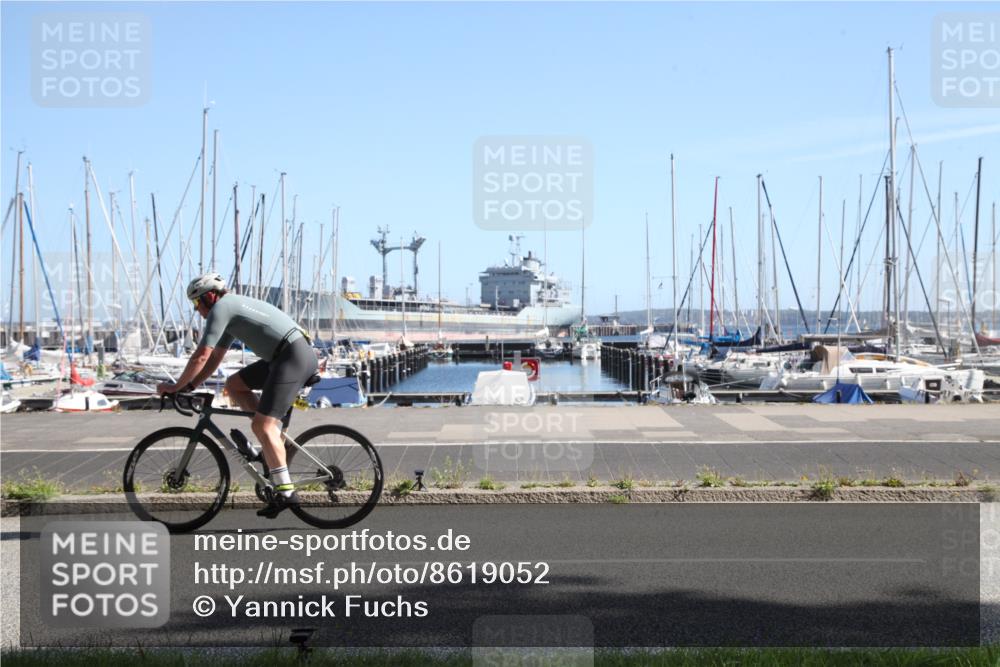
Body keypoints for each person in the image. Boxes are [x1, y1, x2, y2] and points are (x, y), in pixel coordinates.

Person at [156, 273, 319, 518]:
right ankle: (271, 448)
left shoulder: (222, 307)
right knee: (234, 385)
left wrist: (175, 387)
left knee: (262, 426)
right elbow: (214, 359)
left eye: (197, 302)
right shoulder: (229, 311)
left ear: (210, 297)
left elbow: (201, 356)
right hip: (283, 357)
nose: (196, 309)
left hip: (293, 356)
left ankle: (286, 492)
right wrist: (190, 387)